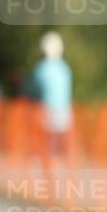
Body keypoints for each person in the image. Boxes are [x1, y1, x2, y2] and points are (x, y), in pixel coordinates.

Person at [27, 32, 74, 172]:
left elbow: (32, 91)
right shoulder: (65, 69)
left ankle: (47, 168)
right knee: (59, 144)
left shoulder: (41, 69)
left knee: (45, 144)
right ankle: (58, 167)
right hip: (65, 113)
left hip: (46, 112)